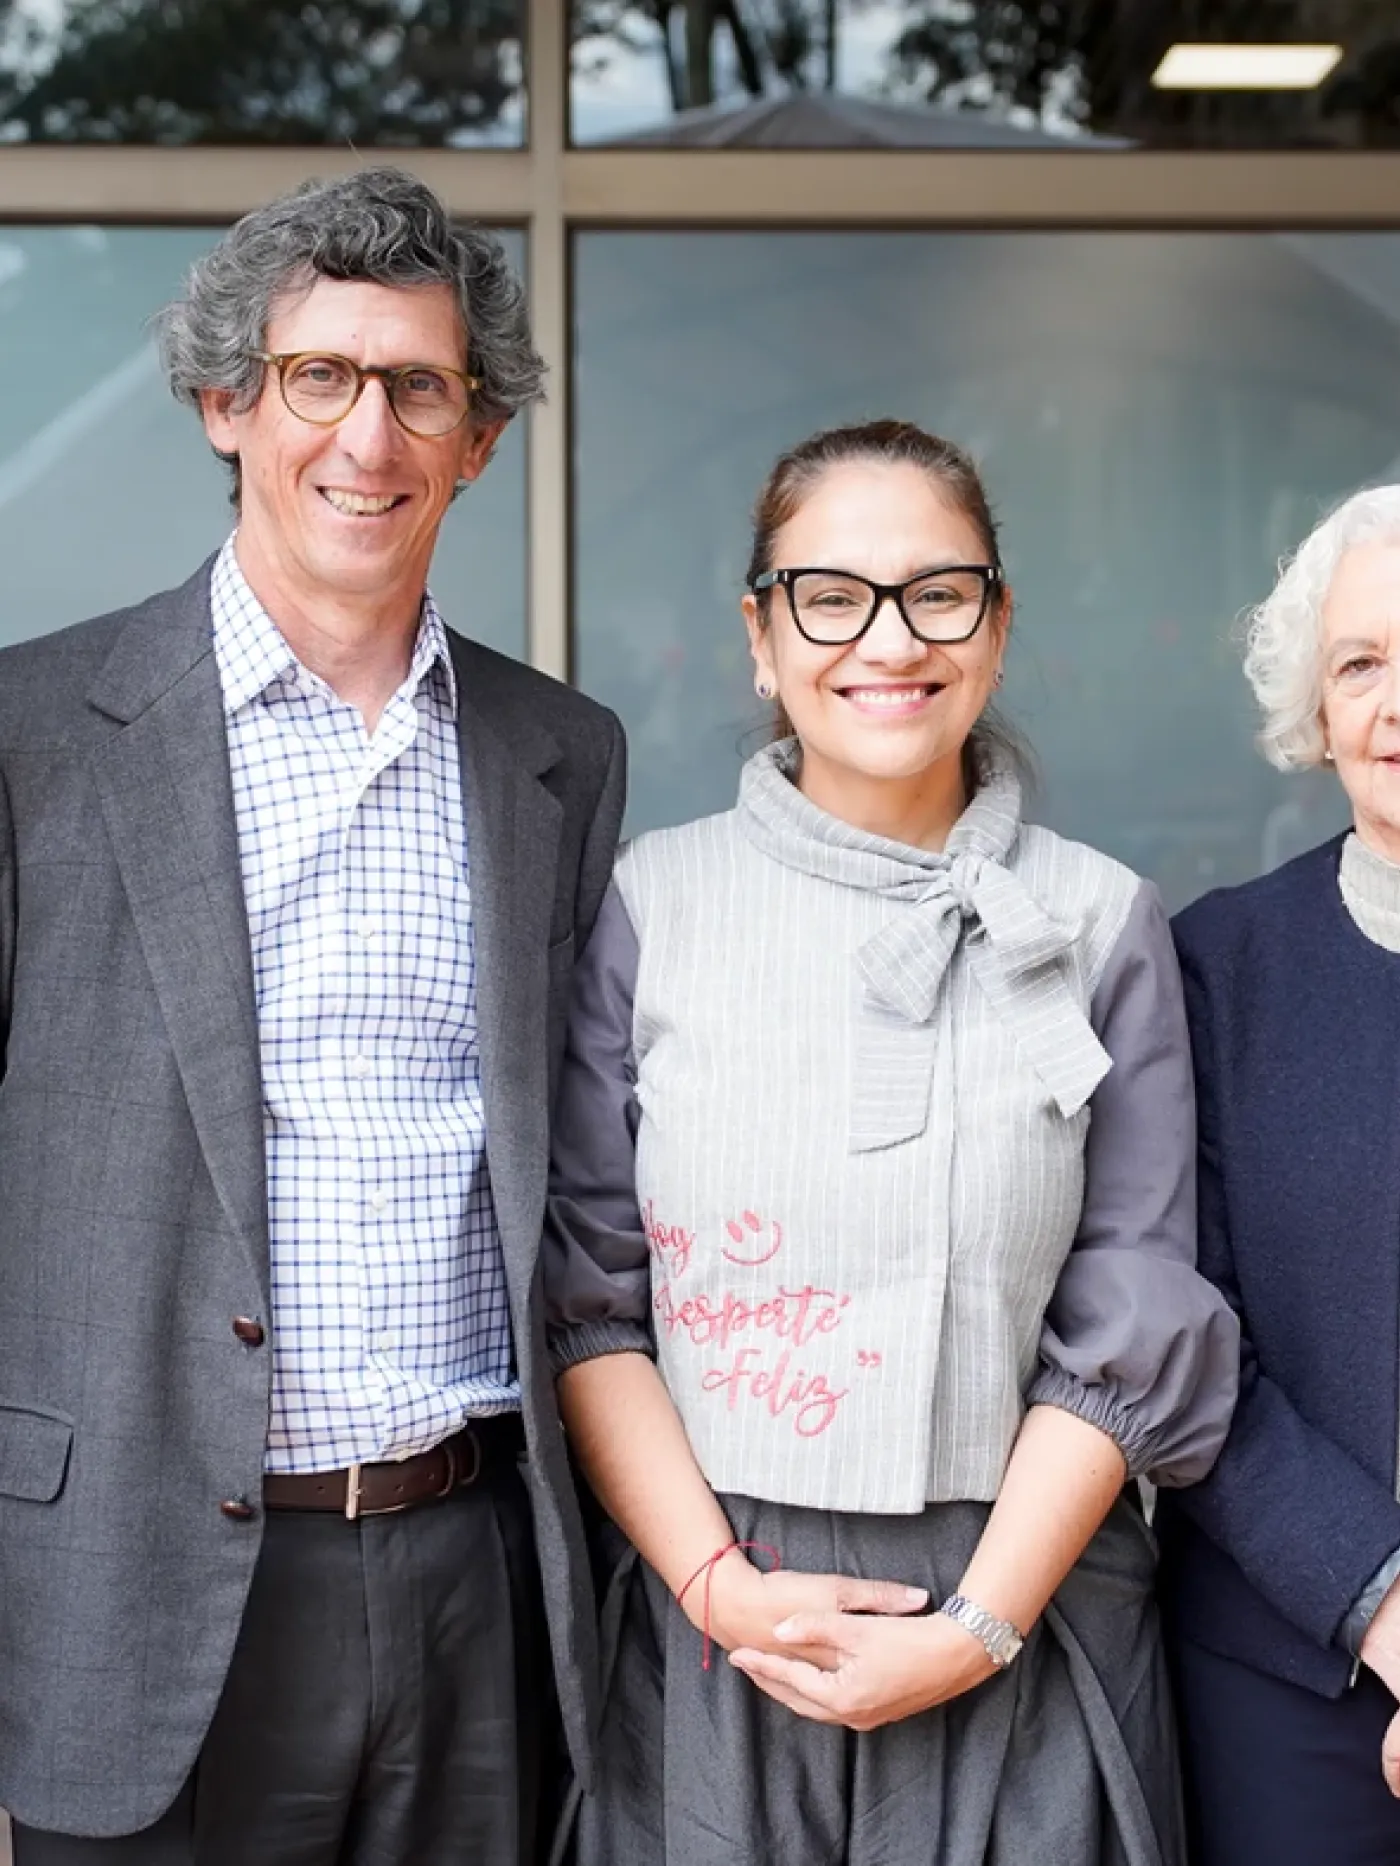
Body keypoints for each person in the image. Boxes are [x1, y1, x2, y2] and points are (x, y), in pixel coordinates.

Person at [0, 167, 625, 1864]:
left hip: (471, 1559)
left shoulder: (559, 755)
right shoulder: (34, 737)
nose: (369, 435)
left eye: (419, 386)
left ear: (479, 438)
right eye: (320, 376)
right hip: (133, 1574)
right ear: (228, 404)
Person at [542, 419, 1238, 1865]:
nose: (889, 639)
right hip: (716, 1615)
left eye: (939, 593)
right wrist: (720, 1588)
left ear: (998, 625)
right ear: (760, 636)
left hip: (1024, 1617)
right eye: (830, 596)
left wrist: (977, 1625)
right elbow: (589, 1301)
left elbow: (1129, 1315)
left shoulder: (1102, 919)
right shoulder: (653, 903)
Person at [1158, 484, 1400, 1866]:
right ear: (1315, 707)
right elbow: (1190, 1350)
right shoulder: (1217, 967)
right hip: (1288, 1670)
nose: (1394, 704)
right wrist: (1387, 1606)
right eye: (1359, 664)